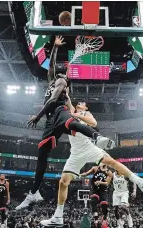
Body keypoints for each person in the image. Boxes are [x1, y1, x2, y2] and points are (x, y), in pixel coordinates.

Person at [16, 36, 115, 210]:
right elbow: (52, 66)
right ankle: (33, 192)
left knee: (70, 123)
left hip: (59, 112)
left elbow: (53, 100)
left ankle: (97, 136)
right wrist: (55, 47)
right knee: (42, 152)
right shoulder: (53, 81)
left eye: (65, 80)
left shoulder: (61, 83)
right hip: (50, 121)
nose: (61, 77)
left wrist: (37, 116)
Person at [39, 101, 143, 227]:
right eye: (79, 102)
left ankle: (140, 182)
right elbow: (66, 96)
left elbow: (93, 123)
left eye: (83, 103)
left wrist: (75, 115)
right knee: (63, 182)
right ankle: (57, 216)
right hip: (75, 153)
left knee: (111, 162)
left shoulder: (85, 113)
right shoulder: (72, 110)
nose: (80, 103)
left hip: (89, 148)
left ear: (86, 107)